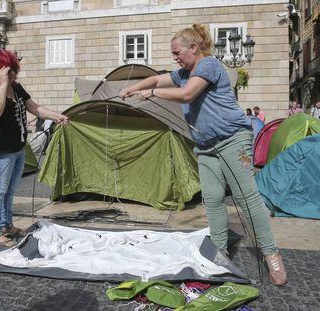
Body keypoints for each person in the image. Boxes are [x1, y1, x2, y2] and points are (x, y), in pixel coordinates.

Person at [119, 24, 287, 286]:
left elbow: (187, 95)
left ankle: (271, 254)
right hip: (206, 146)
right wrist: (132, 88)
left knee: (247, 198)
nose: (175, 57)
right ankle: (218, 250)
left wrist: (151, 93)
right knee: (213, 198)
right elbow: (156, 78)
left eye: (177, 52)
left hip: (233, 140)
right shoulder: (183, 73)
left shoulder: (208, 65)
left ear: (193, 48)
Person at [0, 49, 69, 247]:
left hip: (18, 148)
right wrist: (3, 84)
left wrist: (56, 116)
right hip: (0, 150)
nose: (14, 72)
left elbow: (35, 108)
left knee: (10, 190)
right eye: (9, 68)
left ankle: (6, 225)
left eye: (14, 67)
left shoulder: (17, 88)